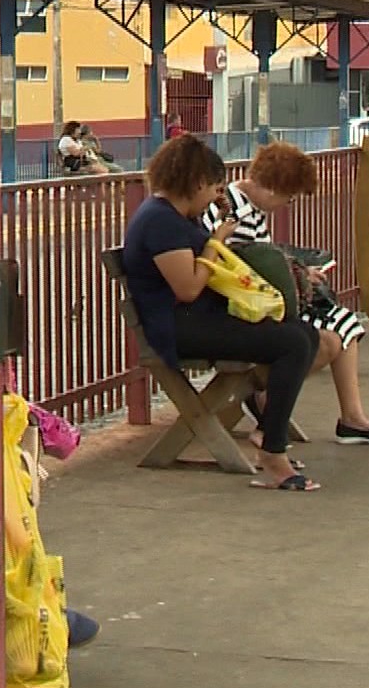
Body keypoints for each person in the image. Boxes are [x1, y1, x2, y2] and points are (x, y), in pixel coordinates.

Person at [122, 134, 320, 491]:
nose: (217, 196)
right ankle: (273, 453)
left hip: (199, 318)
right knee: (292, 342)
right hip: (180, 327)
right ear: (196, 182)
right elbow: (188, 288)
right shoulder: (161, 222)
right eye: (214, 188)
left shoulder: (176, 216)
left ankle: (270, 434)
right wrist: (215, 245)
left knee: (303, 334)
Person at [204, 142, 369, 446]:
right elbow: (243, 266)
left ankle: (351, 417)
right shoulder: (235, 213)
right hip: (246, 307)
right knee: (328, 336)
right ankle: (271, 410)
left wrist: (298, 273)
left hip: (257, 300)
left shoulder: (246, 205)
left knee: (344, 324)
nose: (287, 204)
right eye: (289, 197)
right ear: (272, 189)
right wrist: (296, 275)